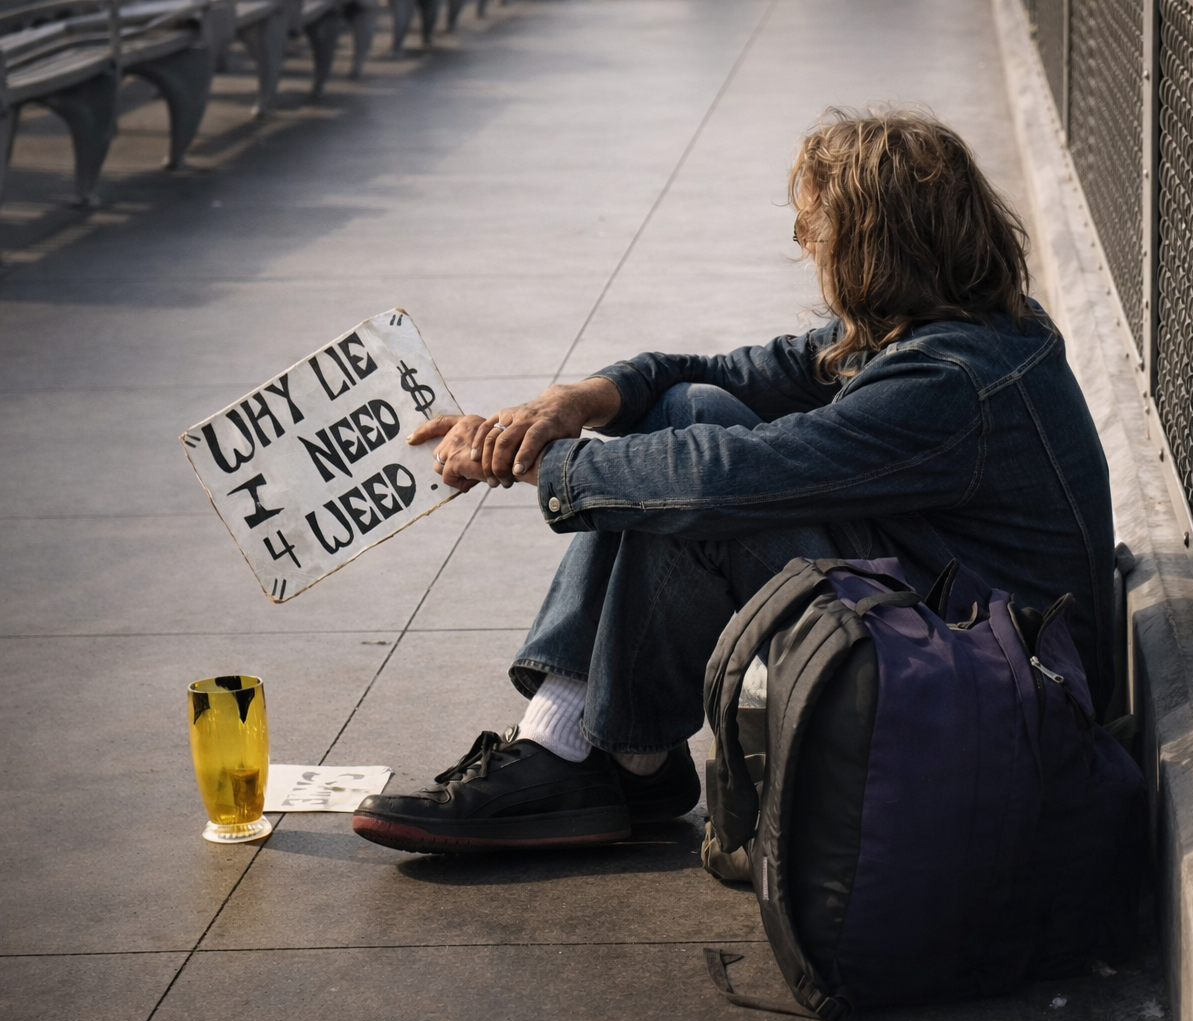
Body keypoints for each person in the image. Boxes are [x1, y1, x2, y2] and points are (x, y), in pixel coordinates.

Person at [350, 108, 1114, 854]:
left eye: (815, 231)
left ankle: (580, 756)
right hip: (965, 619)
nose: (808, 249)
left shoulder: (948, 383)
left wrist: (538, 464)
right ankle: (616, 757)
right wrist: (565, 405)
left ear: (874, 248)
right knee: (689, 412)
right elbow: (716, 375)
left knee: (709, 503)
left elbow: (733, 475)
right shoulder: (957, 324)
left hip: (1001, 690)